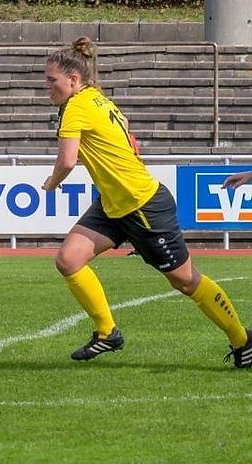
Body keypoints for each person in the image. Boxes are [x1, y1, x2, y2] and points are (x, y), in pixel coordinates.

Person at [42, 36, 252, 367]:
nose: (47, 87)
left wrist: (51, 184)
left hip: (142, 206)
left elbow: (67, 161)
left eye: (51, 80)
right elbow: (126, 128)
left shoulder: (76, 106)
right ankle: (107, 332)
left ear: (73, 79)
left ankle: (243, 341)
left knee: (186, 281)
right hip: (114, 203)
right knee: (69, 259)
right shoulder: (97, 98)